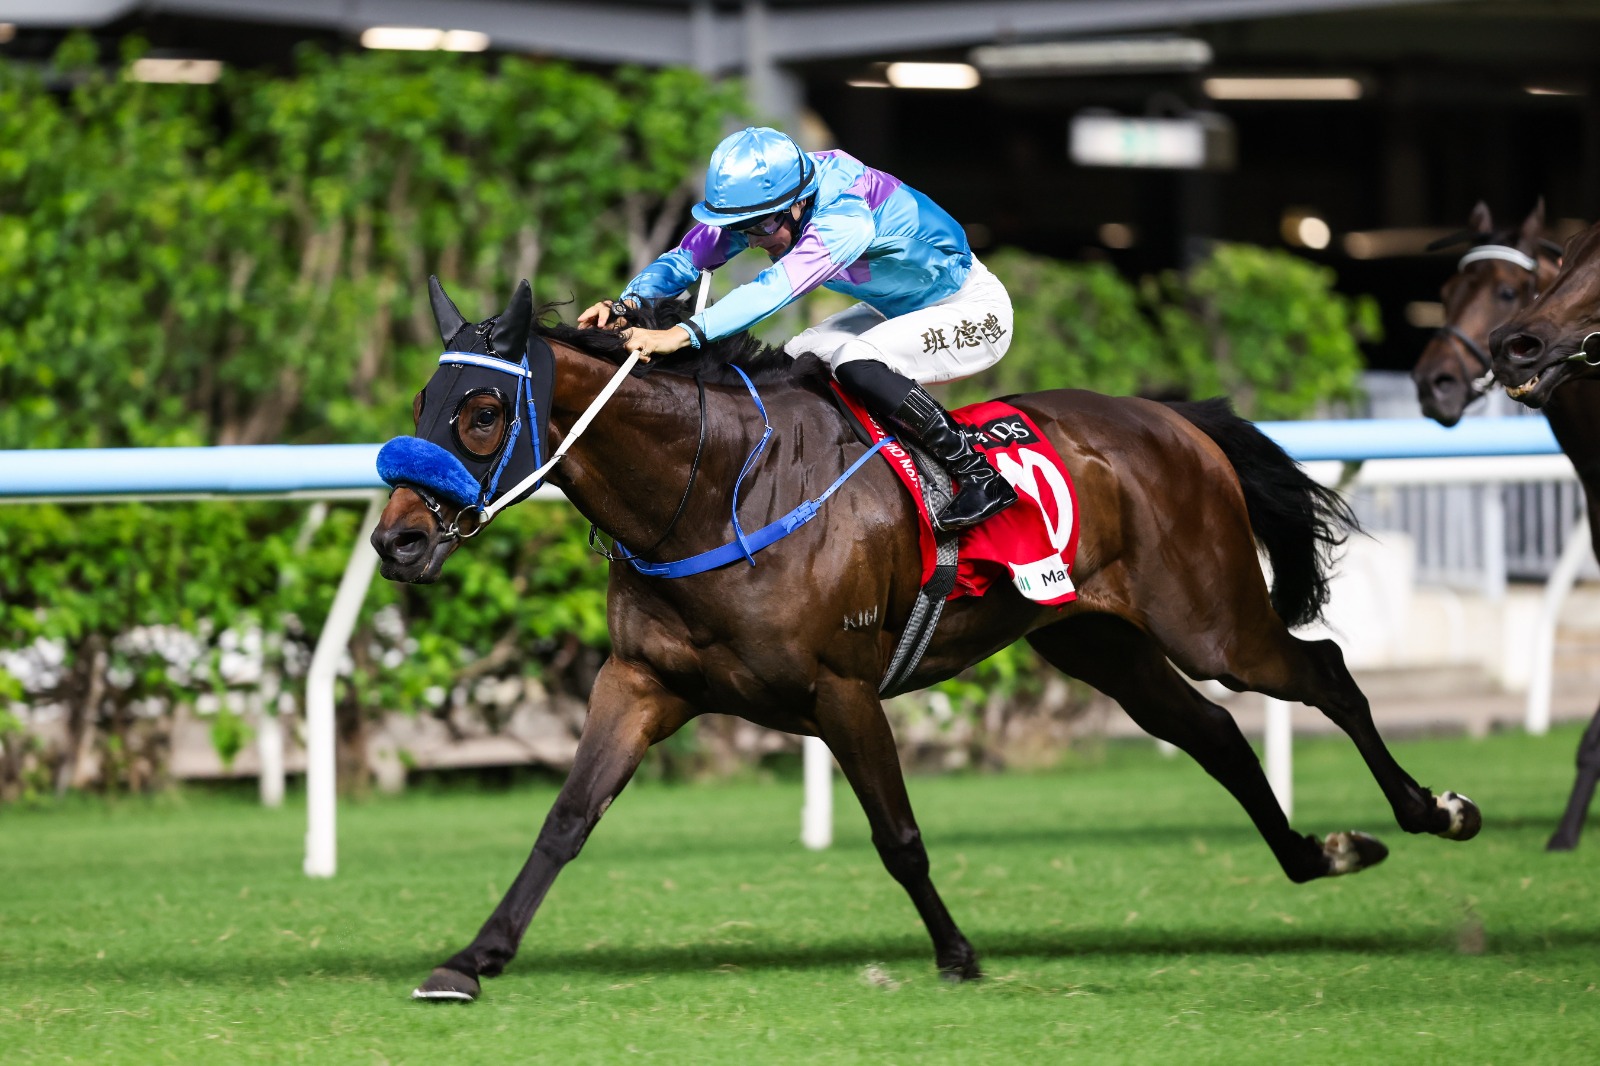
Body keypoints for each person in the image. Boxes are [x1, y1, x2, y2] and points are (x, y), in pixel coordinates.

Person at [578, 126, 1016, 532]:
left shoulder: (846, 215)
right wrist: (628, 303)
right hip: (897, 310)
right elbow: (686, 258)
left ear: (797, 203)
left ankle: (977, 473)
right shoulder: (773, 204)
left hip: (970, 310)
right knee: (794, 362)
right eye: (742, 229)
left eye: (762, 226)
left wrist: (681, 333)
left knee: (854, 361)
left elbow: (774, 288)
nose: (753, 240)